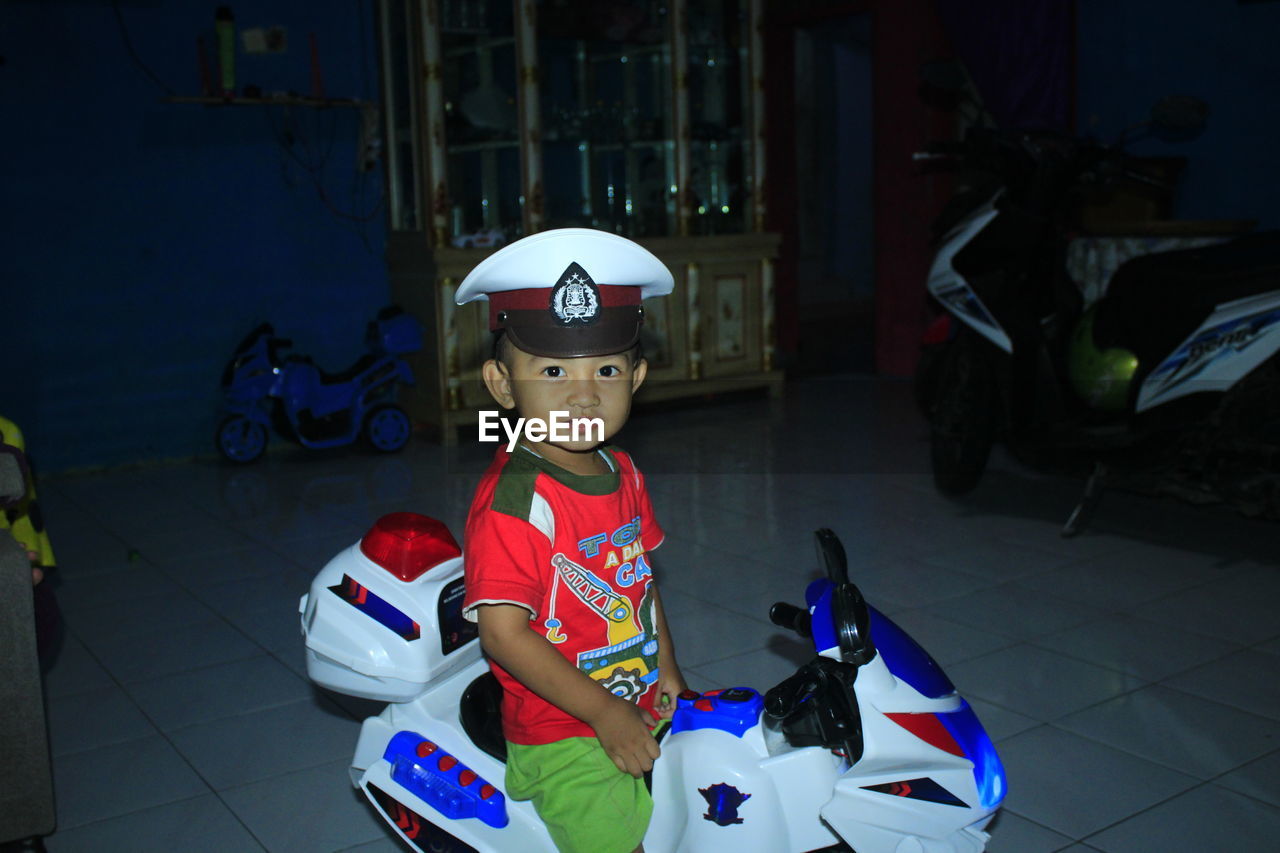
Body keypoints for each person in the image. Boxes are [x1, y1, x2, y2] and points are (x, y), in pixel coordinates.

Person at [457, 228, 686, 853]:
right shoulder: (517, 502)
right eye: (553, 369)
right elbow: (502, 633)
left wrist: (666, 668)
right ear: (503, 386)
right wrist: (604, 713)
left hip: (632, 693)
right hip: (561, 726)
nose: (584, 392)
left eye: (607, 368)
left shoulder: (624, 472)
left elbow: (638, 582)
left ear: (636, 377)